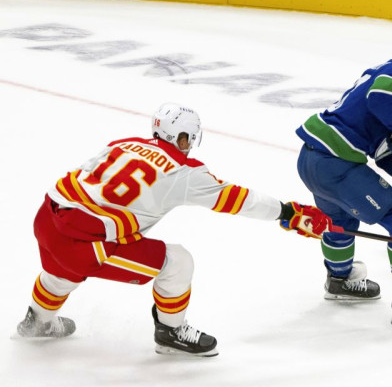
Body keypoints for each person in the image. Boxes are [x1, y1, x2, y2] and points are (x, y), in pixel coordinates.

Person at [17, 102, 332, 356]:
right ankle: (171, 332)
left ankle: (38, 321)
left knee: (63, 266)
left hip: (47, 217)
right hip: (84, 242)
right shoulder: (184, 171)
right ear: (183, 137)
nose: (189, 144)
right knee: (178, 261)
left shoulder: (123, 143)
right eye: (188, 138)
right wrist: (288, 212)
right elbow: (238, 199)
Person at [294, 28, 392, 325]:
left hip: (310, 159)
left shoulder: (388, 70)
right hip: (335, 164)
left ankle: (339, 280)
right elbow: (381, 94)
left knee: (342, 220)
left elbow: (385, 154)